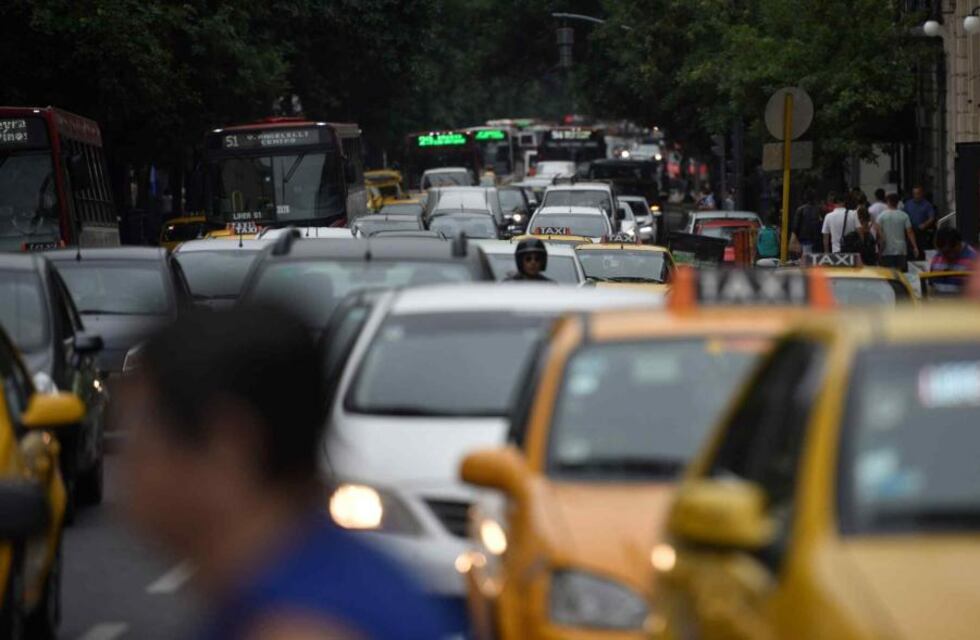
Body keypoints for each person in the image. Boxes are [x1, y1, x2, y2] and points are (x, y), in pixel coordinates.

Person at [113, 307, 452, 640]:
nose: (126, 465)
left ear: (227, 446)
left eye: (140, 434)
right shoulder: (327, 575)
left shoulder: (298, 626)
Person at [928, 227, 977, 295]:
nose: (943, 256)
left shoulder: (974, 260)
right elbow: (931, 287)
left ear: (957, 244)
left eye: (947, 252)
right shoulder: (937, 258)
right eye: (940, 251)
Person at [877, 193, 918, 271]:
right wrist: (915, 246)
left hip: (887, 250)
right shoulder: (904, 215)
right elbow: (910, 232)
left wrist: (880, 250)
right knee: (900, 273)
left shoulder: (881, 216)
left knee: (888, 273)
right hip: (901, 249)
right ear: (898, 202)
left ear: (887, 202)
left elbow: (879, 232)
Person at [905, 185, 936, 255]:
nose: (916, 196)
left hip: (922, 231)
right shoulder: (908, 204)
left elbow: (932, 217)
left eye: (918, 193)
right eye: (914, 194)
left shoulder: (927, 205)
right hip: (910, 231)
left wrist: (925, 224)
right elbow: (904, 216)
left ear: (922, 193)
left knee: (922, 251)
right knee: (911, 251)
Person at [790, 188, 823, 255]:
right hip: (817, 239)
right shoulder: (819, 209)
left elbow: (795, 227)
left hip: (804, 238)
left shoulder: (800, 209)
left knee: (806, 258)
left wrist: (793, 239)